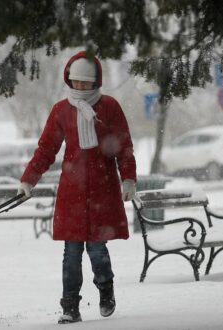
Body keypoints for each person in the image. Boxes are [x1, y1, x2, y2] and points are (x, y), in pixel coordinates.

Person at [17, 51, 137, 324]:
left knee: (97, 251)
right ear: (69, 80)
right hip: (72, 193)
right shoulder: (61, 110)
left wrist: (128, 178)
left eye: (86, 82)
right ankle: (70, 306)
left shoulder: (109, 107)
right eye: (76, 81)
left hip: (103, 190)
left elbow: (124, 146)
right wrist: (28, 180)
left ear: (96, 82)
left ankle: (106, 290)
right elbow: (46, 149)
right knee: (71, 254)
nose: (81, 86)